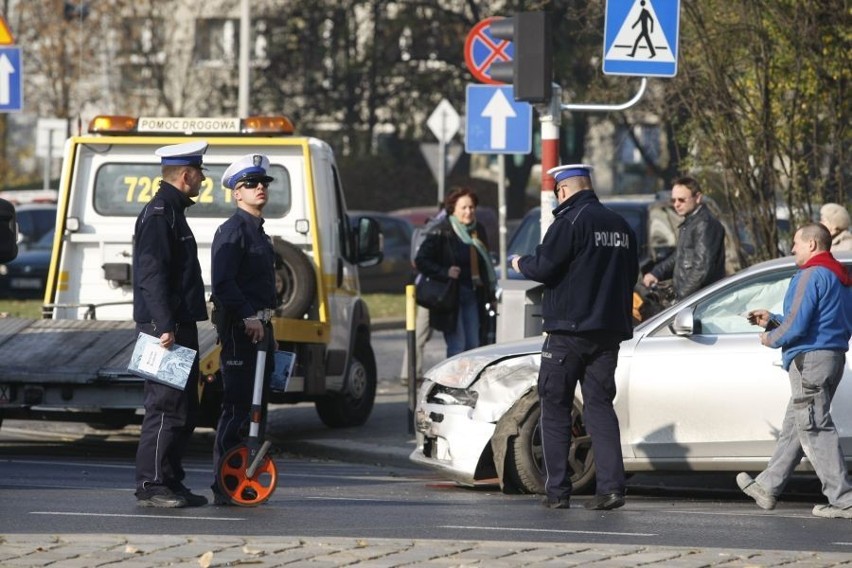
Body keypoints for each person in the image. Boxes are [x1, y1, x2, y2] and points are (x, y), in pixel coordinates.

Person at [511, 164, 638, 510]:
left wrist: (520, 262)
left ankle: (557, 493)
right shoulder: (621, 226)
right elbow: (632, 275)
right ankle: (611, 490)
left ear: (562, 191)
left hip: (568, 333)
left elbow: (544, 268)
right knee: (599, 408)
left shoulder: (568, 222)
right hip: (608, 334)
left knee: (555, 409)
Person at [738, 223, 852, 519]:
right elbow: (819, 322)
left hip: (810, 360)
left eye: (796, 243)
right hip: (831, 356)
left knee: (814, 427)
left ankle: (843, 498)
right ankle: (767, 487)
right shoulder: (839, 276)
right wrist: (773, 320)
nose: (792, 249)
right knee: (796, 425)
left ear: (812, 244)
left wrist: (771, 337)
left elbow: (799, 325)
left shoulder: (810, 274)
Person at [133, 140, 210, 508]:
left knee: (183, 409)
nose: (202, 181)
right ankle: (151, 484)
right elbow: (152, 274)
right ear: (186, 175)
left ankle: (171, 479)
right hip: (164, 328)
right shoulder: (162, 213)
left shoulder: (174, 212)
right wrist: (164, 324)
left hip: (178, 324)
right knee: (164, 408)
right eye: (200, 174)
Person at [210, 153, 279, 505]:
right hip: (242, 330)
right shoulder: (233, 231)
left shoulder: (260, 233)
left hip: (262, 328)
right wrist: (249, 316)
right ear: (236, 193)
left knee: (257, 408)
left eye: (263, 183)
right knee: (237, 407)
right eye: (250, 184)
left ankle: (246, 474)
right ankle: (224, 483)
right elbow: (222, 284)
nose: (259, 189)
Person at [415, 188, 496, 358]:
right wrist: (445, 272)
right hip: (450, 296)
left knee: (474, 344)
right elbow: (421, 260)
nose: (468, 212)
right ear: (453, 209)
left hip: (472, 294)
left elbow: (485, 265)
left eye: (471, 207)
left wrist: (491, 294)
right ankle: (454, 383)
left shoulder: (477, 230)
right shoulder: (442, 230)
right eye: (464, 208)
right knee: (457, 345)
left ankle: (469, 384)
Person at [642, 176, 725, 301]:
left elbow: (701, 269)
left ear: (697, 198)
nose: (676, 204)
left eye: (681, 200)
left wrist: (680, 298)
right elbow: (680, 256)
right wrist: (656, 273)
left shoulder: (704, 224)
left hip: (701, 302)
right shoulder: (691, 222)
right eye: (673, 200)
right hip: (691, 300)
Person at [400, 208, 446, 386]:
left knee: (421, 332)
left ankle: (410, 372)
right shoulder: (441, 228)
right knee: (420, 331)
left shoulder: (429, 226)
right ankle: (409, 373)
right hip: (435, 288)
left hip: (427, 287)